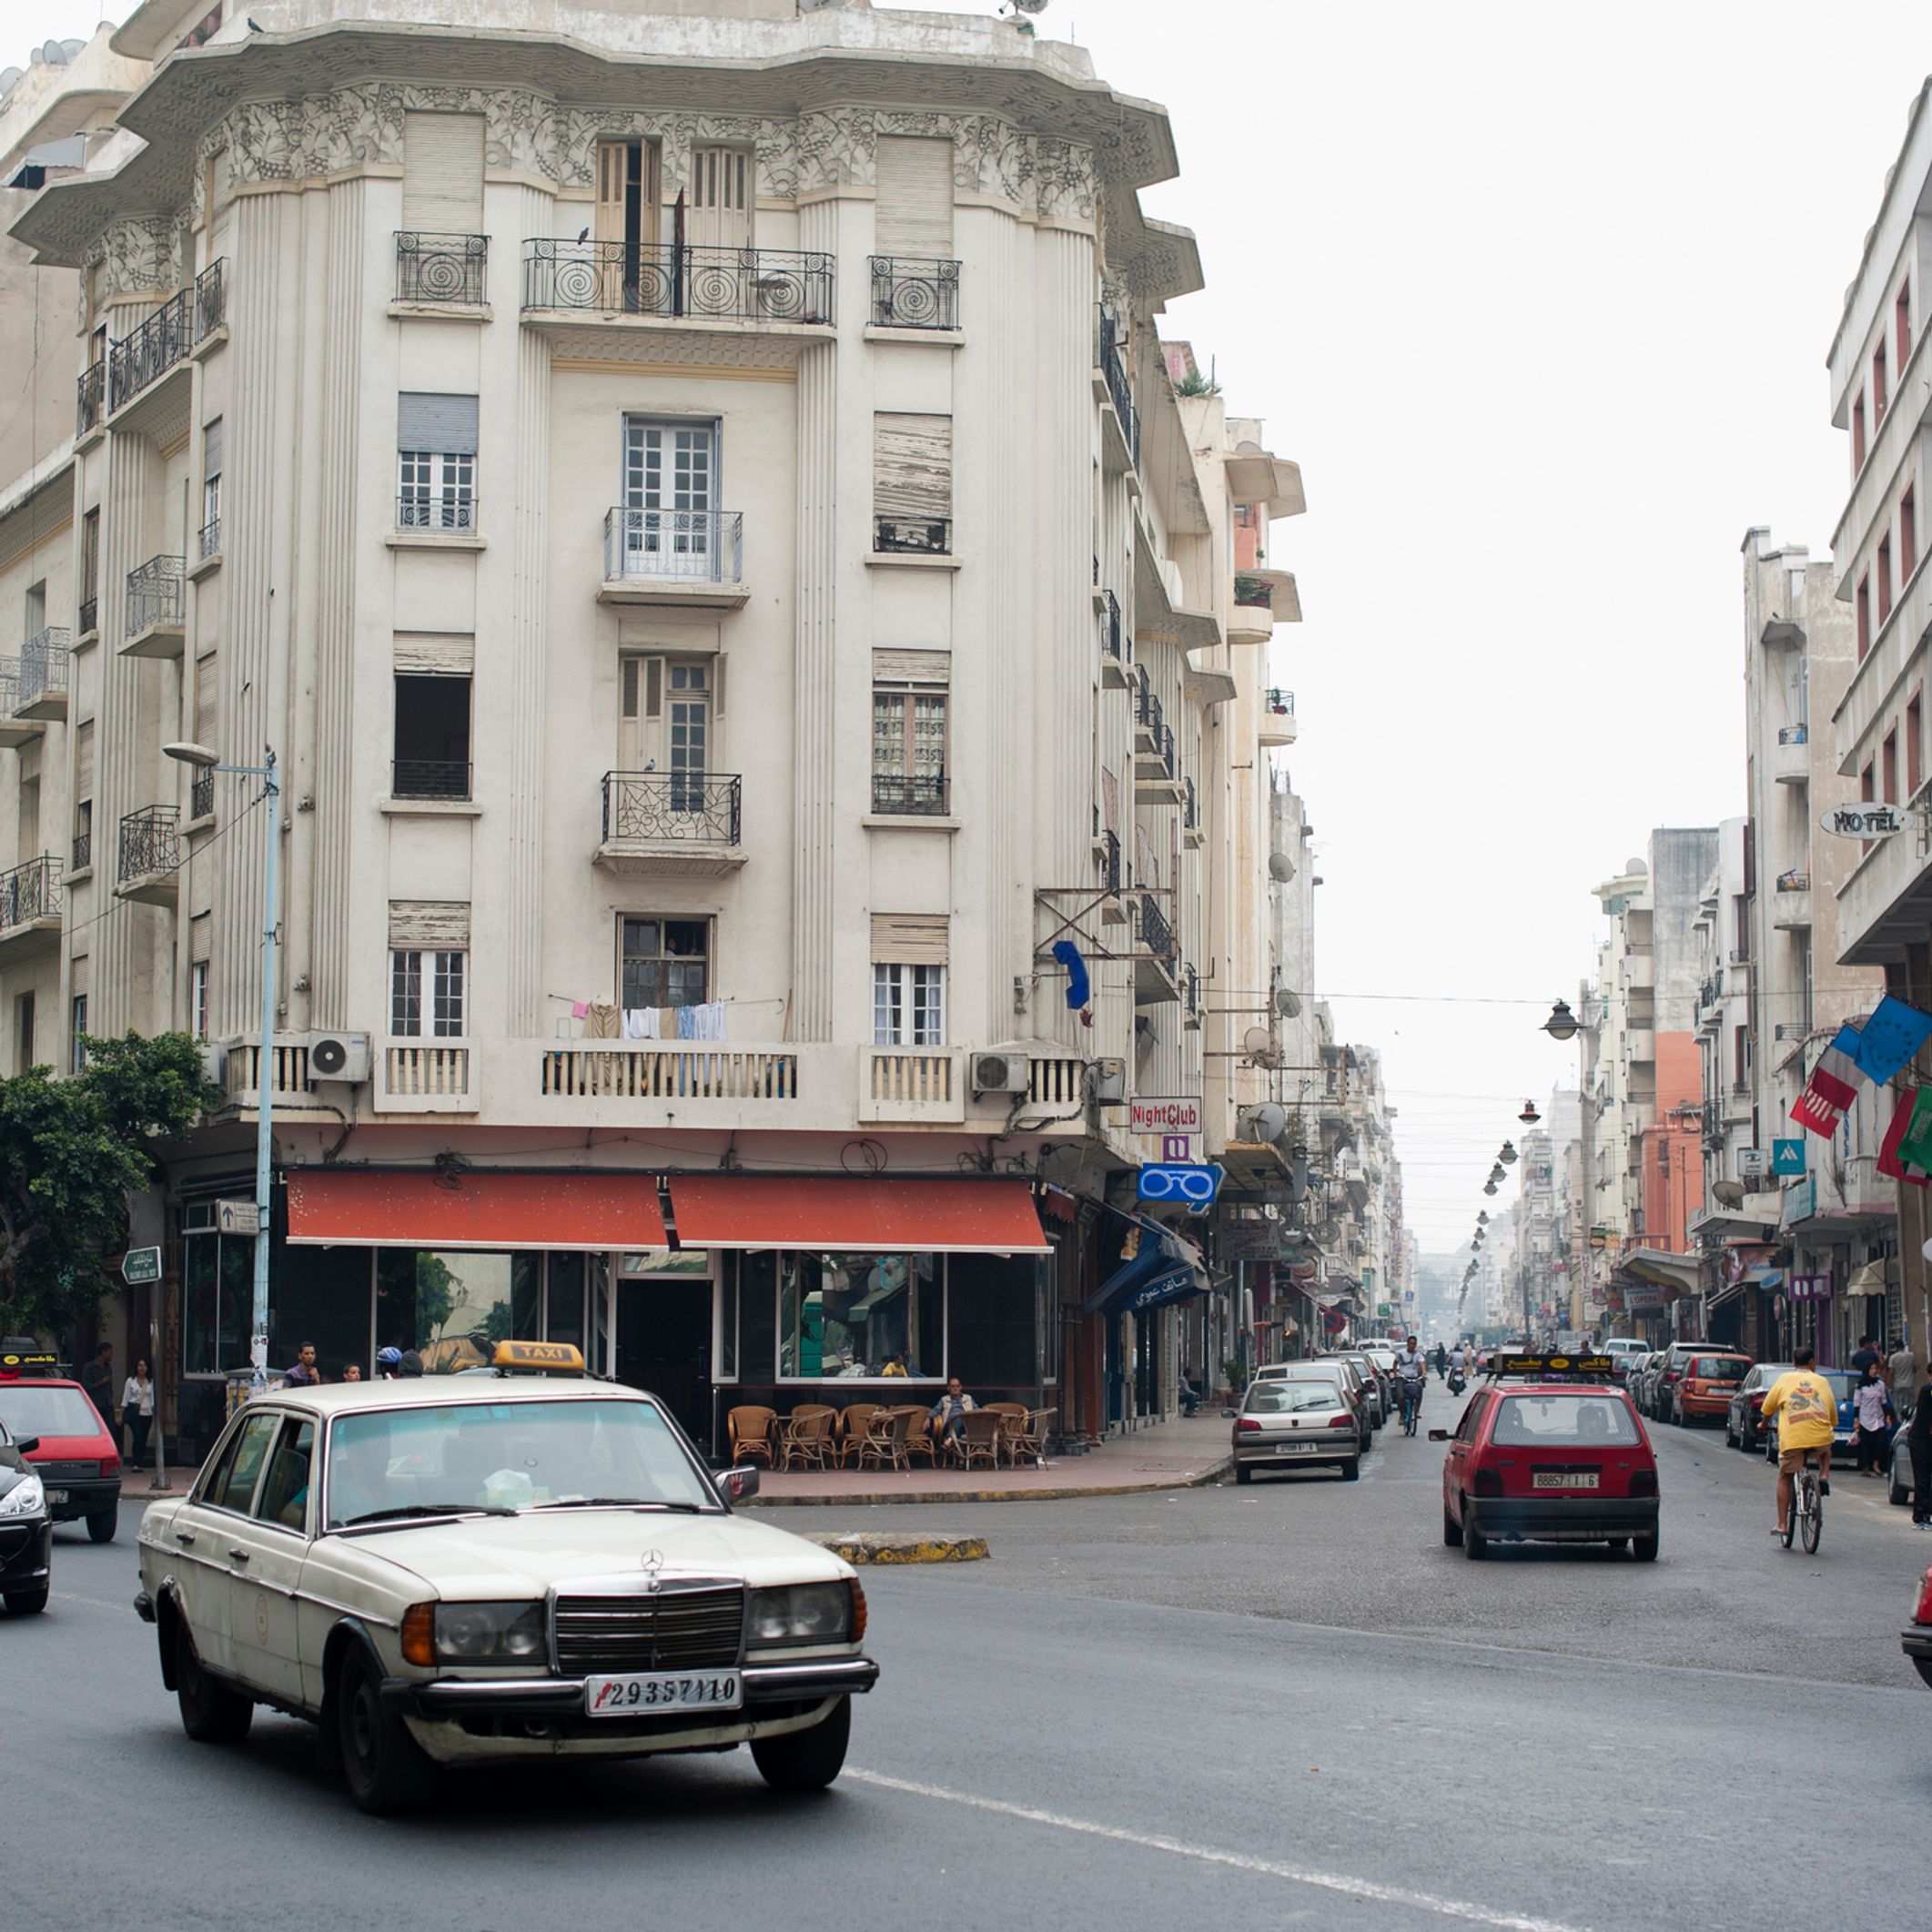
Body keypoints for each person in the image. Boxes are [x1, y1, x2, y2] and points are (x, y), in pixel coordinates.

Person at [1760, 1345, 1837, 1538]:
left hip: (1793, 1439)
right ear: (1813, 1363)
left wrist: (1764, 1424)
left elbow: (1767, 1409)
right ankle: (1824, 1475)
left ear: (1794, 1364)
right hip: (1819, 1437)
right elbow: (1832, 1417)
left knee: (1785, 1476)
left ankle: (1782, 1525)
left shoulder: (1785, 1380)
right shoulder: (1822, 1381)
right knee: (1826, 1444)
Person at [1852, 1361, 1896, 1478]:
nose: (1874, 1371)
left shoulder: (1880, 1385)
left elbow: (1884, 1402)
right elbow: (1857, 1404)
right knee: (1865, 1444)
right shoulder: (1860, 1386)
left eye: (1875, 1368)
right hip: (1865, 1418)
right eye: (1871, 1368)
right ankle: (1865, 1467)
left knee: (1879, 1442)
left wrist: (1887, 1416)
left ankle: (1876, 1465)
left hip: (1878, 1418)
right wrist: (1856, 1419)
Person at [1908, 1372, 1932, 1531]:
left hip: (1927, 1439)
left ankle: (1926, 1514)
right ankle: (1920, 1516)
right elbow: (1925, 1417)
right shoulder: (1927, 1391)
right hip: (1920, 1439)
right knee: (1923, 1478)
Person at [120, 1359, 154, 1470]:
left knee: (143, 1438)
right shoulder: (130, 1381)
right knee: (138, 1436)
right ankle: (135, 1462)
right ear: (136, 1367)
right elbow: (126, 1398)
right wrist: (121, 1414)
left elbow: (153, 1399)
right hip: (135, 1414)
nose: (142, 1368)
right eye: (139, 1365)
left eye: (144, 1366)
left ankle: (140, 1461)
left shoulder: (150, 1382)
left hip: (147, 1414)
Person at [928, 1376, 976, 1445]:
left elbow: (977, 1409)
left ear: (960, 1387)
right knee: (959, 1417)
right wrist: (928, 1418)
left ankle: (949, 1440)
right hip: (950, 1424)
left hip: (967, 1425)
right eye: (953, 1386)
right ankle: (957, 1446)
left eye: (957, 1386)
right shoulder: (944, 1399)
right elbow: (936, 1410)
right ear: (948, 1388)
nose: (955, 1388)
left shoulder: (968, 1398)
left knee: (961, 1419)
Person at [1395, 1334, 1427, 1424]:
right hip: (1402, 1378)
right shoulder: (1400, 1353)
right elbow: (1395, 1363)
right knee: (1401, 1396)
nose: (1412, 1345)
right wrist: (1395, 1373)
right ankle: (1401, 1415)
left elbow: (1422, 1363)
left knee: (1419, 1390)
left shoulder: (1418, 1354)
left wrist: (1424, 1373)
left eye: (1414, 1344)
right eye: (1411, 1343)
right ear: (1407, 1344)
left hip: (1414, 1377)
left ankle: (1416, 1411)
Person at [80, 1340, 114, 1423]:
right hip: (95, 1403)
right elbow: (86, 1386)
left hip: (107, 1404)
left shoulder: (108, 1367)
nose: (111, 1355)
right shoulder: (89, 1367)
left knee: (110, 1428)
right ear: (103, 1353)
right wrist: (102, 1382)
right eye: (110, 1352)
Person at [1889, 1337, 1917, 1421]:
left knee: (1898, 1407)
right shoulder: (1911, 1356)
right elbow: (1915, 1369)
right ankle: (1908, 1422)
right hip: (1909, 1384)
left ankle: (1900, 1423)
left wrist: (1890, 1386)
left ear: (1896, 1347)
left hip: (1897, 1386)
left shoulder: (1893, 1358)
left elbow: (1891, 1372)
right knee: (1909, 1405)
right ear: (1903, 1346)